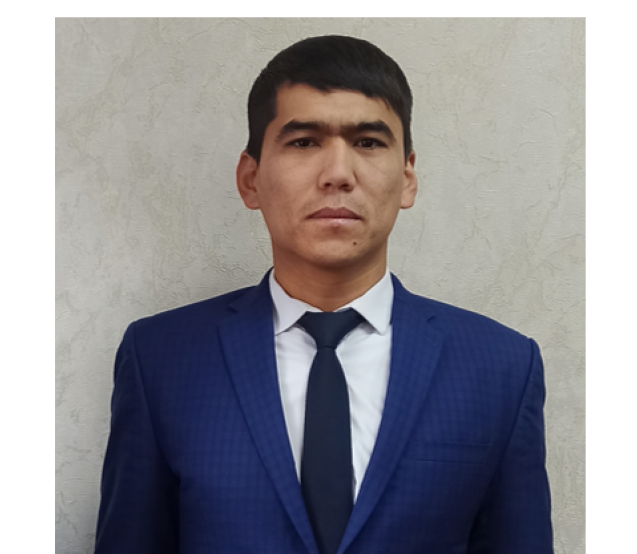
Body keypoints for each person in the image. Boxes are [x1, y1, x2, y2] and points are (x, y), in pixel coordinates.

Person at [94, 35, 553, 554]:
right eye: (304, 142)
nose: (337, 174)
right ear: (250, 179)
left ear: (407, 178)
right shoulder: (161, 358)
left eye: (368, 142)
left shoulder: (501, 367)